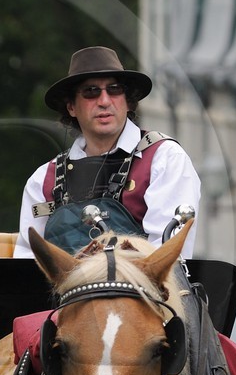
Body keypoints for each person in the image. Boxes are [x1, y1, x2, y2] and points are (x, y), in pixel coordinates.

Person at [14, 46, 202, 258]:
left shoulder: (165, 159)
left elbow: (165, 260)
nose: (104, 101)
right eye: (91, 92)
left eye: (114, 90)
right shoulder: (42, 181)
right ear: (71, 107)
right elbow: (28, 264)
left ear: (128, 102)